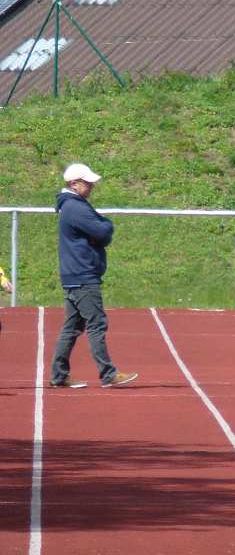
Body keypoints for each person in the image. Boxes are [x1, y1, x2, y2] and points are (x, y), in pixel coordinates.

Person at [49, 163, 137, 389]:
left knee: (71, 328)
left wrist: (103, 227)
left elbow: (101, 229)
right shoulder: (75, 207)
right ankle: (108, 374)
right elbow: (103, 230)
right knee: (96, 324)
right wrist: (105, 226)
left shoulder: (72, 205)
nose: (92, 186)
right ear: (74, 184)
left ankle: (59, 375)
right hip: (83, 275)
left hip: (74, 274)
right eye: (87, 183)